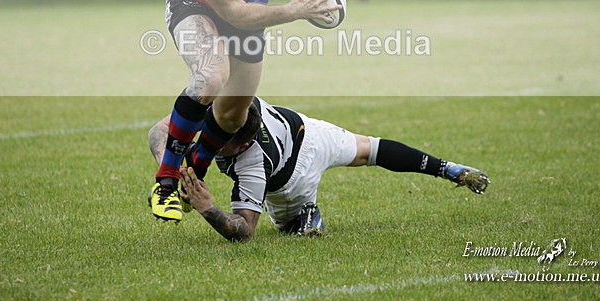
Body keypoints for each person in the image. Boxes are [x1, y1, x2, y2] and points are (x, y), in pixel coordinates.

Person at [150, 0, 340, 223]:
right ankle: (166, 183)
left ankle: (195, 171)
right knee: (211, 75)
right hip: (195, 3)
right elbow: (233, 13)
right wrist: (299, 8)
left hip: (250, 12)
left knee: (234, 113)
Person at [148, 97, 490, 241]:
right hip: (310, 131)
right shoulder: (232, 105)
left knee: (286, 226)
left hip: (291, 179)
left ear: (240, 146)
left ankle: (304, 216)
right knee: (369, 149)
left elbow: (244, 231)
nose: (208, 134)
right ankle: (450, 169)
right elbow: (158, 132)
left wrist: (208, 208)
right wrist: (173, 167)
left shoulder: (252, 164)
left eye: (217, 138)